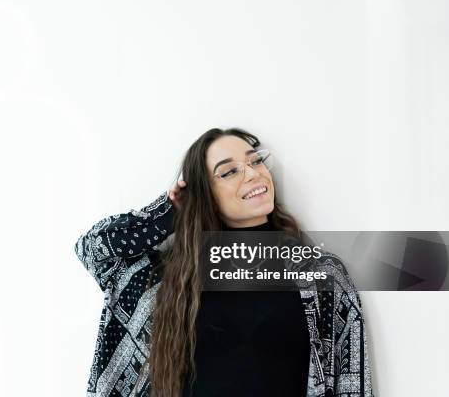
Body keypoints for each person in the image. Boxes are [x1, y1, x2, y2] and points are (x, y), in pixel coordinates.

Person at [74, 128, 374, 396]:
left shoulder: (321, 274)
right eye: (229, 172)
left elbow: (352, 381)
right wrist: (166, 212)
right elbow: (93, 250)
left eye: (256, 161)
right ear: (204, 194)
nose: (254, 173)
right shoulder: (168, 280)